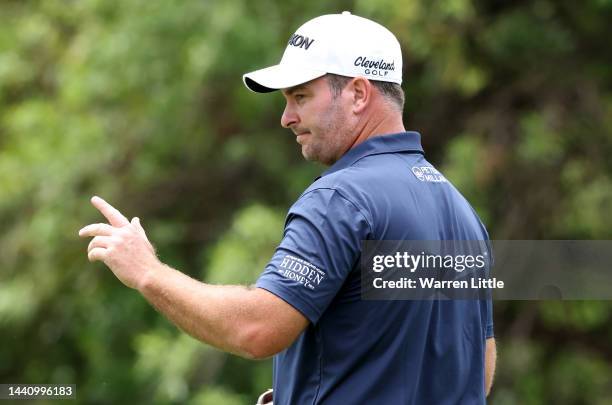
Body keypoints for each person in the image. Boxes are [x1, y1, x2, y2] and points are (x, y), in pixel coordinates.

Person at [79, 11, 496, 404]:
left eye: (300, 96)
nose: (286, 117)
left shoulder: (340, 200)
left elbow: (257, 330)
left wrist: (147, 272)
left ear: (357, 93)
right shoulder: (461, 211)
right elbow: (481, 368)